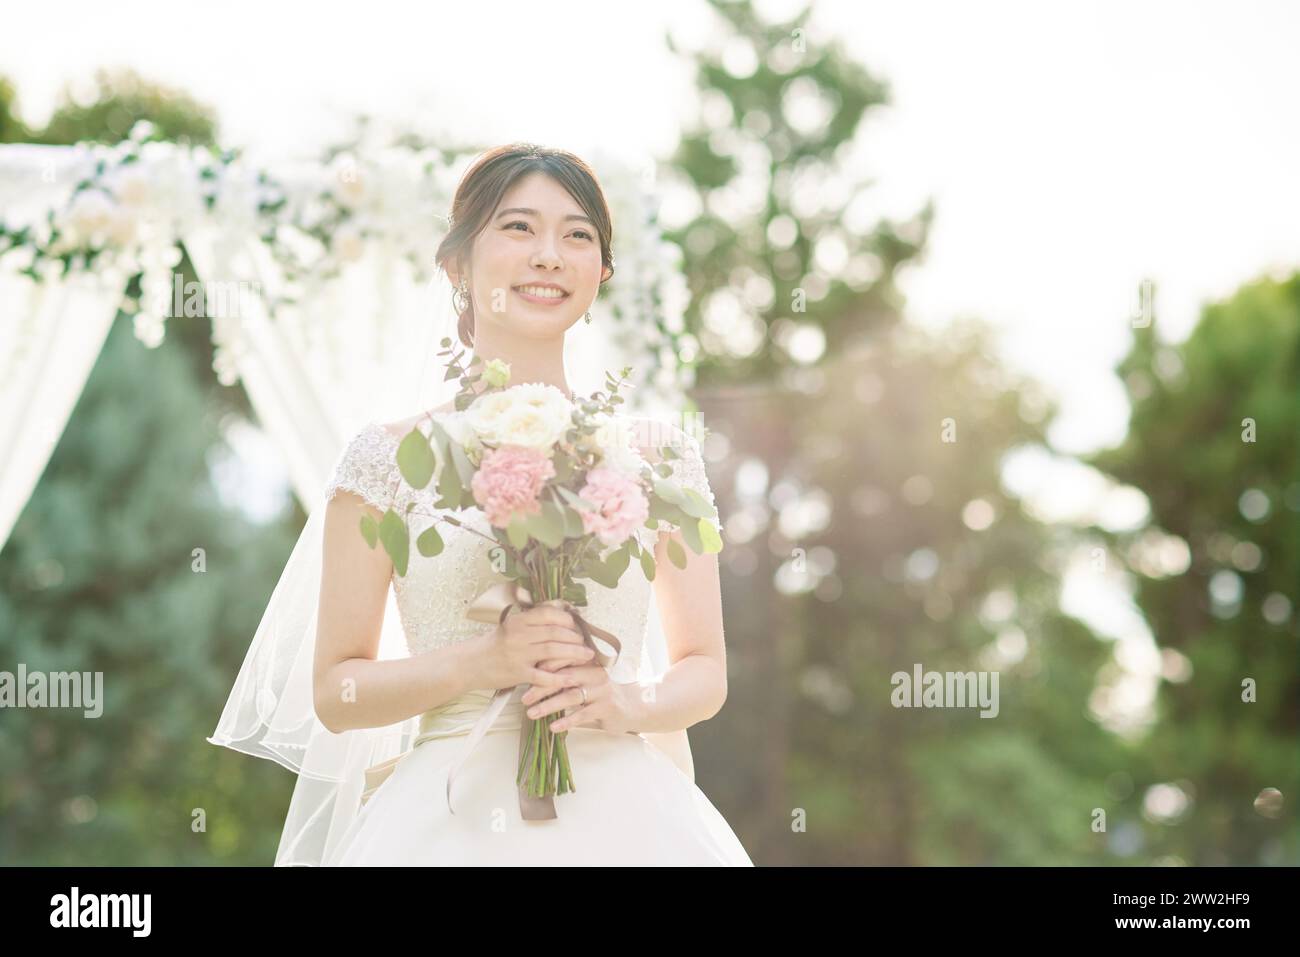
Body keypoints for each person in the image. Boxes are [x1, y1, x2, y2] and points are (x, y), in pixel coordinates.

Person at [213, 143, 753, 865]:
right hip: (444, 818)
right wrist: (483, 660)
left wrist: (628, 703)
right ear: (457, 265)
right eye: (519, 227)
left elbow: (703, 670)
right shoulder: (387, 458)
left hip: (630, 817)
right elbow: (337, 689)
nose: (549, 255)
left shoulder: (659, 455)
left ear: (602, 271)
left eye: (577, 235)